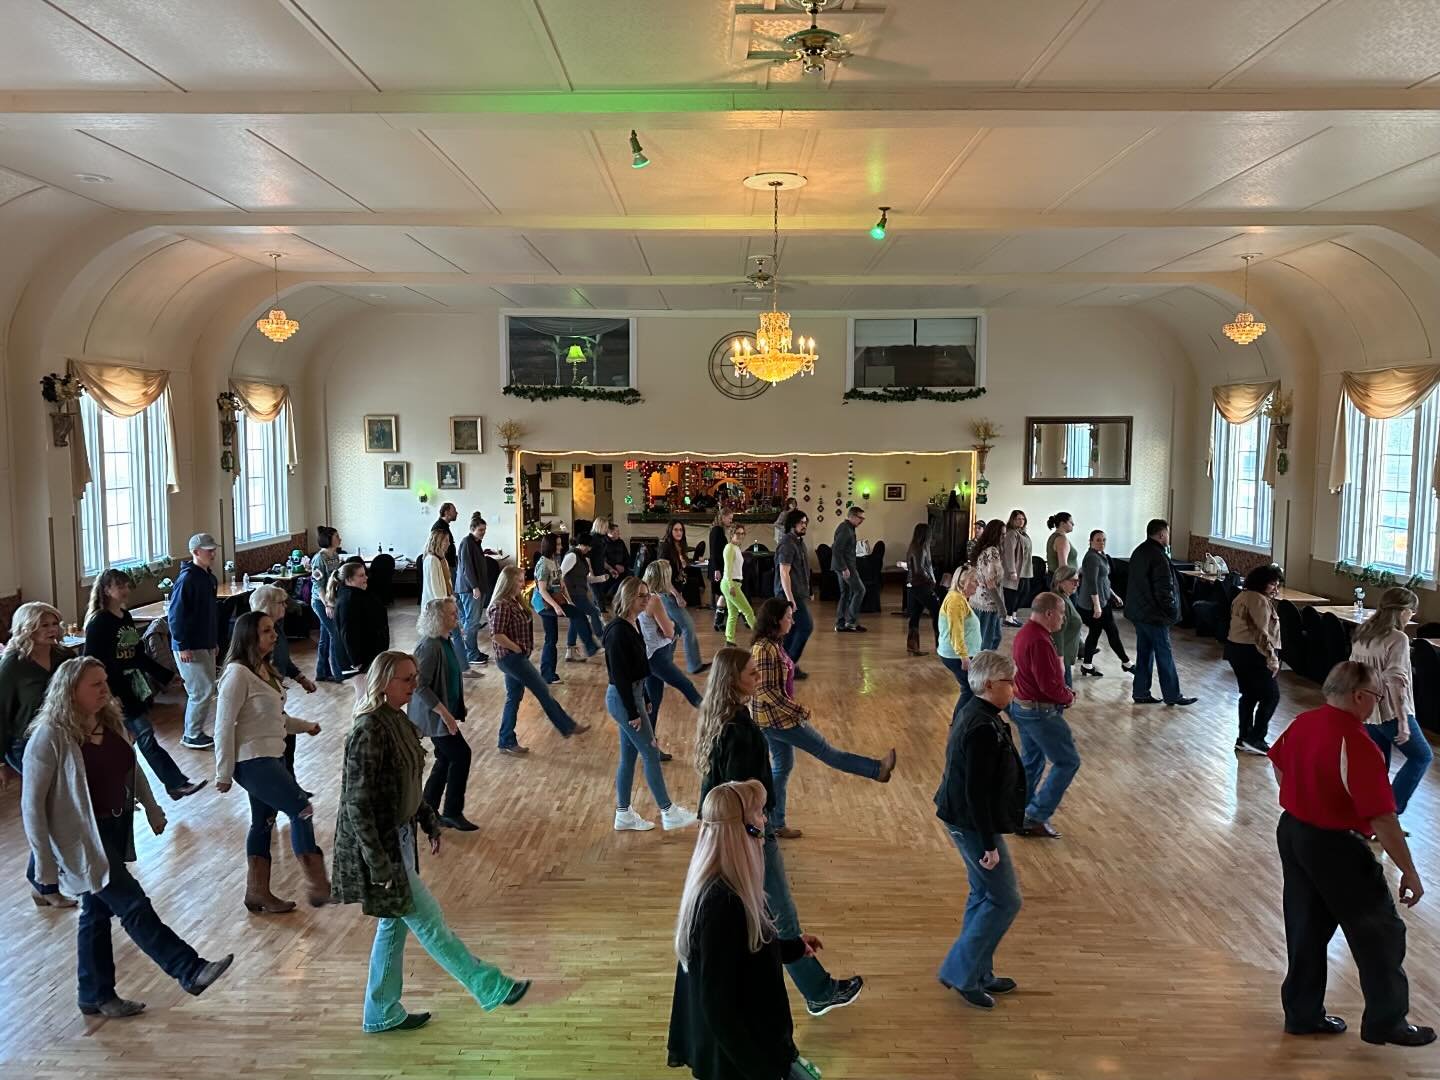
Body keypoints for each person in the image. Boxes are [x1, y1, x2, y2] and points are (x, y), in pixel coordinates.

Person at [22, 657, 233, 1017]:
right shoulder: (49, 737)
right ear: (70, 691)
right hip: (81, 839)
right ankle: (189, 969)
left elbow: (131, 769)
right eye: (95, 684)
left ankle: (95, 994)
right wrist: (44, 865)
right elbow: (32, 807)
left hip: (115, 828)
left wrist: (152, 807)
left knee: (96, 912)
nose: (105, 689)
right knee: (132, 903)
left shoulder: (108, 721)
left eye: (104, 681)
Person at [334, 651, 531, 1033]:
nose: (415, 685)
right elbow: (357, 804)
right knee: (429, 921)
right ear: (384, 682)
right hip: (384, 848)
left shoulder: (398, 720)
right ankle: (490, 985)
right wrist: (378, 863)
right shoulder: (368, 730)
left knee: (394, 925)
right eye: (407, 679)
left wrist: (428, 820)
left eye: (415, 677)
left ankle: (381, 1011)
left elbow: (408, 784)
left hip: (400, 839)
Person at [692, 650, 864, 1020]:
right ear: (733, 680)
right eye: (752, 673)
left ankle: (811, 989)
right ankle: (818, 992)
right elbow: (741, 795)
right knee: (781, 914)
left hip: (731, 833)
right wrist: (757, 833)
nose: (758, 678)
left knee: (768, 914)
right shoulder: (739, 731)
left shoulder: (721, 720)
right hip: (749, 835)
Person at [1269, 660, 1433, 1047]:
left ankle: (1303, 1015)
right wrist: (1409, 871)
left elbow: (1279, 766)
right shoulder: (1356, 742)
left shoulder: (1303, 723)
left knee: (1305, 927)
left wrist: (1306, 800)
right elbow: (1383, 818)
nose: (1377, 703)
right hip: (1335, 846)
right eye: (1376, 695)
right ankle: (1386, 1022)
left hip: (1293, 832)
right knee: (1380, 932)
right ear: (1359, 696)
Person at [667, 780, 822, 1080]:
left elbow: (747, 951)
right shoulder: (722, 905)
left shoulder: (733, 889)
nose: (765, 820)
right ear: (745, 830)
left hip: (756, 1049)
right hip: (742, 1062)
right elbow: (718, 1007)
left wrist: (793, 947)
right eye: (759, 813)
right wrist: (760, 1072)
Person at [751, 597, 895, 839]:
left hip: (774, 719)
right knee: (827, 752)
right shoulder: (764, 649)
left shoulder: (774, 643)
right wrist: (797, 711)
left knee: (782, 768)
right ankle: (877, 769)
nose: (792, 621)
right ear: (775, 620)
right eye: (788, 617)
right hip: (777, 720)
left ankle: (775, 823)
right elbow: (765, 690)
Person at [215, 611, 329, 912]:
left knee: (263, 822)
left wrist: (305, 726)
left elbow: (275, 719)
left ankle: (257, 893)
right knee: (301, 808)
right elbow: (223, 725)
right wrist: (223, 773)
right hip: (252, 760)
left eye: (273, 629)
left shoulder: (265, 670)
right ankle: (317, 882)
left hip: (270, 756)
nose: (274, 635)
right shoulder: (237, 674)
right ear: (249, 636)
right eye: (267, 631)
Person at [934, 650, 1026, 1011]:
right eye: (1009, 682)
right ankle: (961, 972)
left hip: (967, 819)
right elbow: (975, 792)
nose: (1014, 688)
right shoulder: (981, 727)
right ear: (989, 684)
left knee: (984, 895)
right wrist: (988, 844)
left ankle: (978, 971)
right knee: (1005, 899)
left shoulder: (979, 713)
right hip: (971, 824)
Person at [82, 571, 202, 802]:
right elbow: (92, 663)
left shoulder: (125, 617)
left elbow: (138, 656)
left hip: (132, 688)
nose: (125, 590)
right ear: (107, 590)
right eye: (120, 586)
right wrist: (108, 694)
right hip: (113, 691)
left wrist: (166, 676)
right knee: (142, 736)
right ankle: (171, 784)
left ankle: (156, 787)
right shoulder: (99, 623)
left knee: (133, 741)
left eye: (127, 585)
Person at [603, 578, 697, 833]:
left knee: (629, 756)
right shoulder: (618, 631)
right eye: (641, 596)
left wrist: (643, 696)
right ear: (628, 598)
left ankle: (623, 813)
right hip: (623, 700)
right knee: (651, 752)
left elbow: (637, 668)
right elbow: (619, 675)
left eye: (647, 595)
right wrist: (633, 711)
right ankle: (668, 811)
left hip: (631, 696)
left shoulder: (631, 625)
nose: (647, 600)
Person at [2, 602, 79, 906]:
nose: (52, 630)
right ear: (28, 628)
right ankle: (45, 885)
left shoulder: (64, 657)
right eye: (44, 625)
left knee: (57, 812)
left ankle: (44, 880)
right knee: (49, 812)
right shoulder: (13, 665)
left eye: (54, 624)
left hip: (63, 738)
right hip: (26, 745)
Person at [487, 566, 588, 756]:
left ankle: (506, 740)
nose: (522, 584)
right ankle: (567, 725)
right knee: (542, 690)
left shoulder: (515, 601)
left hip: (517, 657)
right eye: (519, 581)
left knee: (513, 697)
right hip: (511, 658)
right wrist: (515, 648)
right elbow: (496, 634)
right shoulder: (501, 605)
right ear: (508, 582)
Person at [1350, 587, 1432, 815]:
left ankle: (1368, 815)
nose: (1411, 616)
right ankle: (1390, 814)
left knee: (1378, 765)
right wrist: (1403, 721)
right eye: (1412, 611)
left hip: (1366, 710)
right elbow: (1396, 681)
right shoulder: (1398, 639)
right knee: (1421, 756)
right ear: (1403, 611)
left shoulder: (1363, 632)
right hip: (1389, 711)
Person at [1009, 593, 1078, 839]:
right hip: (1039, 712)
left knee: (1032, 760)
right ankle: (1035, 815)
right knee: (1067, 761)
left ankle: (1018, 813)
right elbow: (1048, 686)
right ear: (1049, 613)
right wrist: (1068, 696)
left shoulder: (1026, 633)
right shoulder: (1038, 640)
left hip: (1023, 706)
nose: (1063, 618)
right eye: (1061, 613)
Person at [409, 599, 476, 832]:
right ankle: (452, 812)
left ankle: (426, 809)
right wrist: (445, 714)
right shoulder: (429, 646)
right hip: (432, 715)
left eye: (456, 612)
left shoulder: (444, 641)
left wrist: (456, 707)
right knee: (461, 755)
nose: (456, 617)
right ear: (438, 619)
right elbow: (419, 685)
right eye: (451, 614)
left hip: (442, 712)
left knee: (446, 758)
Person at [1124, 519, 1197, 707]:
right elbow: (1164, 590)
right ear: (1162, 534)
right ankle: (1172, 695)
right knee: (1164, 655)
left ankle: (1141, 692)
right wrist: (1172, 612)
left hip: (1139, 613)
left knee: (1144, 653)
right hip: (1155, 615)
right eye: (1168, 533)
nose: (1169, 537)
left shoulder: (1139, 551)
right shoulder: (1159, 557)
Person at [640, 561, 705, 760]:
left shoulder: (638, 595)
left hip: (647, 655)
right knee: (686, 686)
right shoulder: (654, 600)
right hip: (658, 656)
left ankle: (649, 748)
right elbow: (669, 632)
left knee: (653, 703)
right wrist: (672, 628)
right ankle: (718, 715)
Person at [169, 532, 221, 750]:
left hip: (204, 642)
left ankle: (195, 731)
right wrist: (182, 645)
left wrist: (213, 641)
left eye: (213, 550)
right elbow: (175, 616)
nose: (213, 554)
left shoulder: (208, 578)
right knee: (201, 690)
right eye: (208, 550)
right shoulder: (187, 580)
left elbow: (209, 615)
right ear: (195, 552)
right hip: (189, 646)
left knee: (207, 688)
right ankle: (191, 734)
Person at [1225, 564, 1284, 756]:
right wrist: (1272, 658)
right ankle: (1255, 738)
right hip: (1252, 652)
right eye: (1272, 584)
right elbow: (1260, 633)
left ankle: (1244, 737)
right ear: (1261, 583)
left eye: (1277, 585)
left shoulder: (1242, 596)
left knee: (1249, 695)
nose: (1275, 589)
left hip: (1236, 649)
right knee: (1271, 695)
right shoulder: (1258, 600)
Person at [532, 533, 594, 684]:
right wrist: (556, 607)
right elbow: (542, 590)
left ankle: (548, 674)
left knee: (551, 638)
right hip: (545, 604)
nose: (561, 547)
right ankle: (590, 646)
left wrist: (569, 601)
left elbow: (560, 584)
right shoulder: (543, 564)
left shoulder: (554, 560)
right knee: (577, 616)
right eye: (558, 544)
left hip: (554, 600)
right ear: (551, 545)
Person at [1076, 530, 1132, 677]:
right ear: (1090, 541)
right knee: (1111, 632)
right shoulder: (1092, 558)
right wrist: (1096, 606)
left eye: (1104, 540)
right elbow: (1092, 583)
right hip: (1093, 605)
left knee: (1096, 633)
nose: (1102, 543)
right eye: (1098, 540)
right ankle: (1126, 663)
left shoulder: (1101, 556)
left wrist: (1113, 595)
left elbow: (1103, 581)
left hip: (1103, 602)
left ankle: (1087, 665)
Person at [422, 528, 474, 679]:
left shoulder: (441, 559)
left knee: (453, 637)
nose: (449, 544)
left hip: (445, 604)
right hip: (438, 608)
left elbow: (447, 585)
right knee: (442, 639)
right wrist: (447, 607)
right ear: (438, 542)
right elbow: (436, 589)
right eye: (446, 541)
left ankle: (461, 668)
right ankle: (459, 669)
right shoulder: (432, 560)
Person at [658, 519, 706, 675]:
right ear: (670, 531)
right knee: (688, 627)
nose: (679, 532)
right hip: (668, 594)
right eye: (676, 530)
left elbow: (681, 571)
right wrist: (677, 595)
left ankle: (663, 663)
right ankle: (694, 665)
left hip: (676, 592)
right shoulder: (665, 547)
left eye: (681, 530)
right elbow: (664, 576)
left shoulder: (680, 547)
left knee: (676, 630)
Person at [774, 508, 813, 676]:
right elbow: (784, 572)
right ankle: (788, 665)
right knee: (805, 626)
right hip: (787, 595)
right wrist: (790, 600)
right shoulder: (787, 544)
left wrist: (809, 590)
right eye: (801, 523)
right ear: (792, 524)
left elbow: (802, 569)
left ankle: (784, 665)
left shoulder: (798, 542)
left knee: (790, 631)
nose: (804, 525)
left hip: (797, 594)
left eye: (805, 523)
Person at [938, 568, 983, 711]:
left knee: (970, 689)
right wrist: (964, 656)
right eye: (975, 581)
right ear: (964, 582)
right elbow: (956, 631)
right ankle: (960, 722)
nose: (978, 584)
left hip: (960, 654)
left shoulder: (959, 598)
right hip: (957, 656)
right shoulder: (955, 601)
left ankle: (962, 721)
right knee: (970, 690)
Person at [334, 561, 389, 674]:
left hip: (370, 654)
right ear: (349, 579)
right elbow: (348, 632)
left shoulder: (359, 594)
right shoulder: (348, 600)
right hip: (360, 660)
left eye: (365, 574)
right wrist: (356, 661)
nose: (366, 577)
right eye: (361, 575)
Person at [454, 513, 493, 667]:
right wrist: (475, 587)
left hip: (473, 588)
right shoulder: (467, 543)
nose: (483, 533)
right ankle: (471, 654)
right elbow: (466, 568)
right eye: (480, 530)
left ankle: (472, 651)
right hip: (469, 589)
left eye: (484, 530)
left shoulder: (475, 543)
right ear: (472, 529)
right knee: (472, 622)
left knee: (470, 621)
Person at [310, 525, 349, 682]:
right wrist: (327, 604)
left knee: (325, 637)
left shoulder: (335, 556)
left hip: (331, 600)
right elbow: (318, 584)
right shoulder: (319, 559)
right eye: (336, 536)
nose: (340, 539)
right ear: (329, 539)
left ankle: (321, 672)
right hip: (321, 602)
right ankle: (338, 673)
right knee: (335, 634)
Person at [561, 533, 606, 663]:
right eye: (588, 546)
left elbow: (584, 578)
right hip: (573, 595)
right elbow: (560, 575)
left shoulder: (581, 557)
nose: (589, 549)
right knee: (594, 612)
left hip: (580, 593)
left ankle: (571, 651)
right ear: (582, 544)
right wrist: (566, 597)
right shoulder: (571, 556)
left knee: (576, 620)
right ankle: (602, 638)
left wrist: (601, 578)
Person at [969, 519, 1008, 651]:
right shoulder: (992, 551)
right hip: (988, 602)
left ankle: (981, 661)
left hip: (978, 599)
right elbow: (990, 582)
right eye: (1002, 534)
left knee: (987, 638)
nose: (1004, 537)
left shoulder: (983, 549)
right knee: (989, 640)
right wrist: (1001, 606)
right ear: (994, 534)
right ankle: (982, 663)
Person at [905, 521, 941, 656]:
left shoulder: (913, 547)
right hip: (921, 586)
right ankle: (940, 645)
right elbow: (920, 570)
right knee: (937, 612)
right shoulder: (920, 549)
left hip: (913, 586)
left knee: (915, 615)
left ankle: (912, 646)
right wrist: (931, 580)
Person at [832, 506, 867, 633]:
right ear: (852, 516)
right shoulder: (845, 529)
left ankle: (840, 624)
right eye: (860, 518)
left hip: (843, 566)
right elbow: (836, 549)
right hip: (846, 567)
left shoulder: (848, 528)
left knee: (846, 594)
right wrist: (844, 568)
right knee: (860, 590)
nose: (862, 520)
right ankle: (850, 622)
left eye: (863, 518)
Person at [720, 522, 755, 647]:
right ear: (732, 534)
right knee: (748, 611)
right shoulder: (729, 548)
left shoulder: (736, 548)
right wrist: (731, 586)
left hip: (734, 583)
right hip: (731, 583)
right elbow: (728, 569)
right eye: (738, 533)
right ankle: (762, 637)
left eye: (742, 533)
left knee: (733, 614)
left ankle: (730, 641)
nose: (740, 536)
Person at [1050, 566, 1084, 689]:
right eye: (1073, 581)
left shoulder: (1065, 598)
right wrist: (1060, 660)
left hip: (1065, 658)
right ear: (1060, 581)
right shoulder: (1059, 602)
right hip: (1061, 660)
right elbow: (1057, 634)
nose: (1077, 584)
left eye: (1078, 581)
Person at [999, 511, 1034, 626]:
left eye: (1023, 519)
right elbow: (1009, 553)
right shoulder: (1011, 533)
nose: (1021, 521)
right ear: (1012, 520)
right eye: (1018, 519)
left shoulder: (1023, 534)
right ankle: (1008, 617)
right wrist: (1012, 571)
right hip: (1016, 570)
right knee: (1013, 593)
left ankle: (1013, 615)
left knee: (1024, 593)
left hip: (1025, 570)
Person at [708, 508, 733, 632]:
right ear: (723, 517)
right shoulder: (717, 530)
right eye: (729, 518)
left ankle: (719, 621)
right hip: (717, 567)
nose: (731, 521)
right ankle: (718, 621)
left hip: (718, 567)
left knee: (723, 594)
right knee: (723, 593)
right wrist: (717, 569)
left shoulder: (718, 530)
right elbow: (714, 551)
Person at [1044, 513, 1077, 584]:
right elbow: (1063, 566)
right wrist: (1066, 583)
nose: (1073, 524)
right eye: (1070, 522)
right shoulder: (1061, 539)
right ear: (1062, 523)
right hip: (1061, 581)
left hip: (1055, 578)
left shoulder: (1054, 536)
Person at [431, 502, 459, 575]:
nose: (457, 513)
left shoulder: (444, 526)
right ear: (446, 512)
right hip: (445, 565)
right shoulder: (439, 527)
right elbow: (437, 549)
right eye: (454, 511)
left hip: (449, 564)